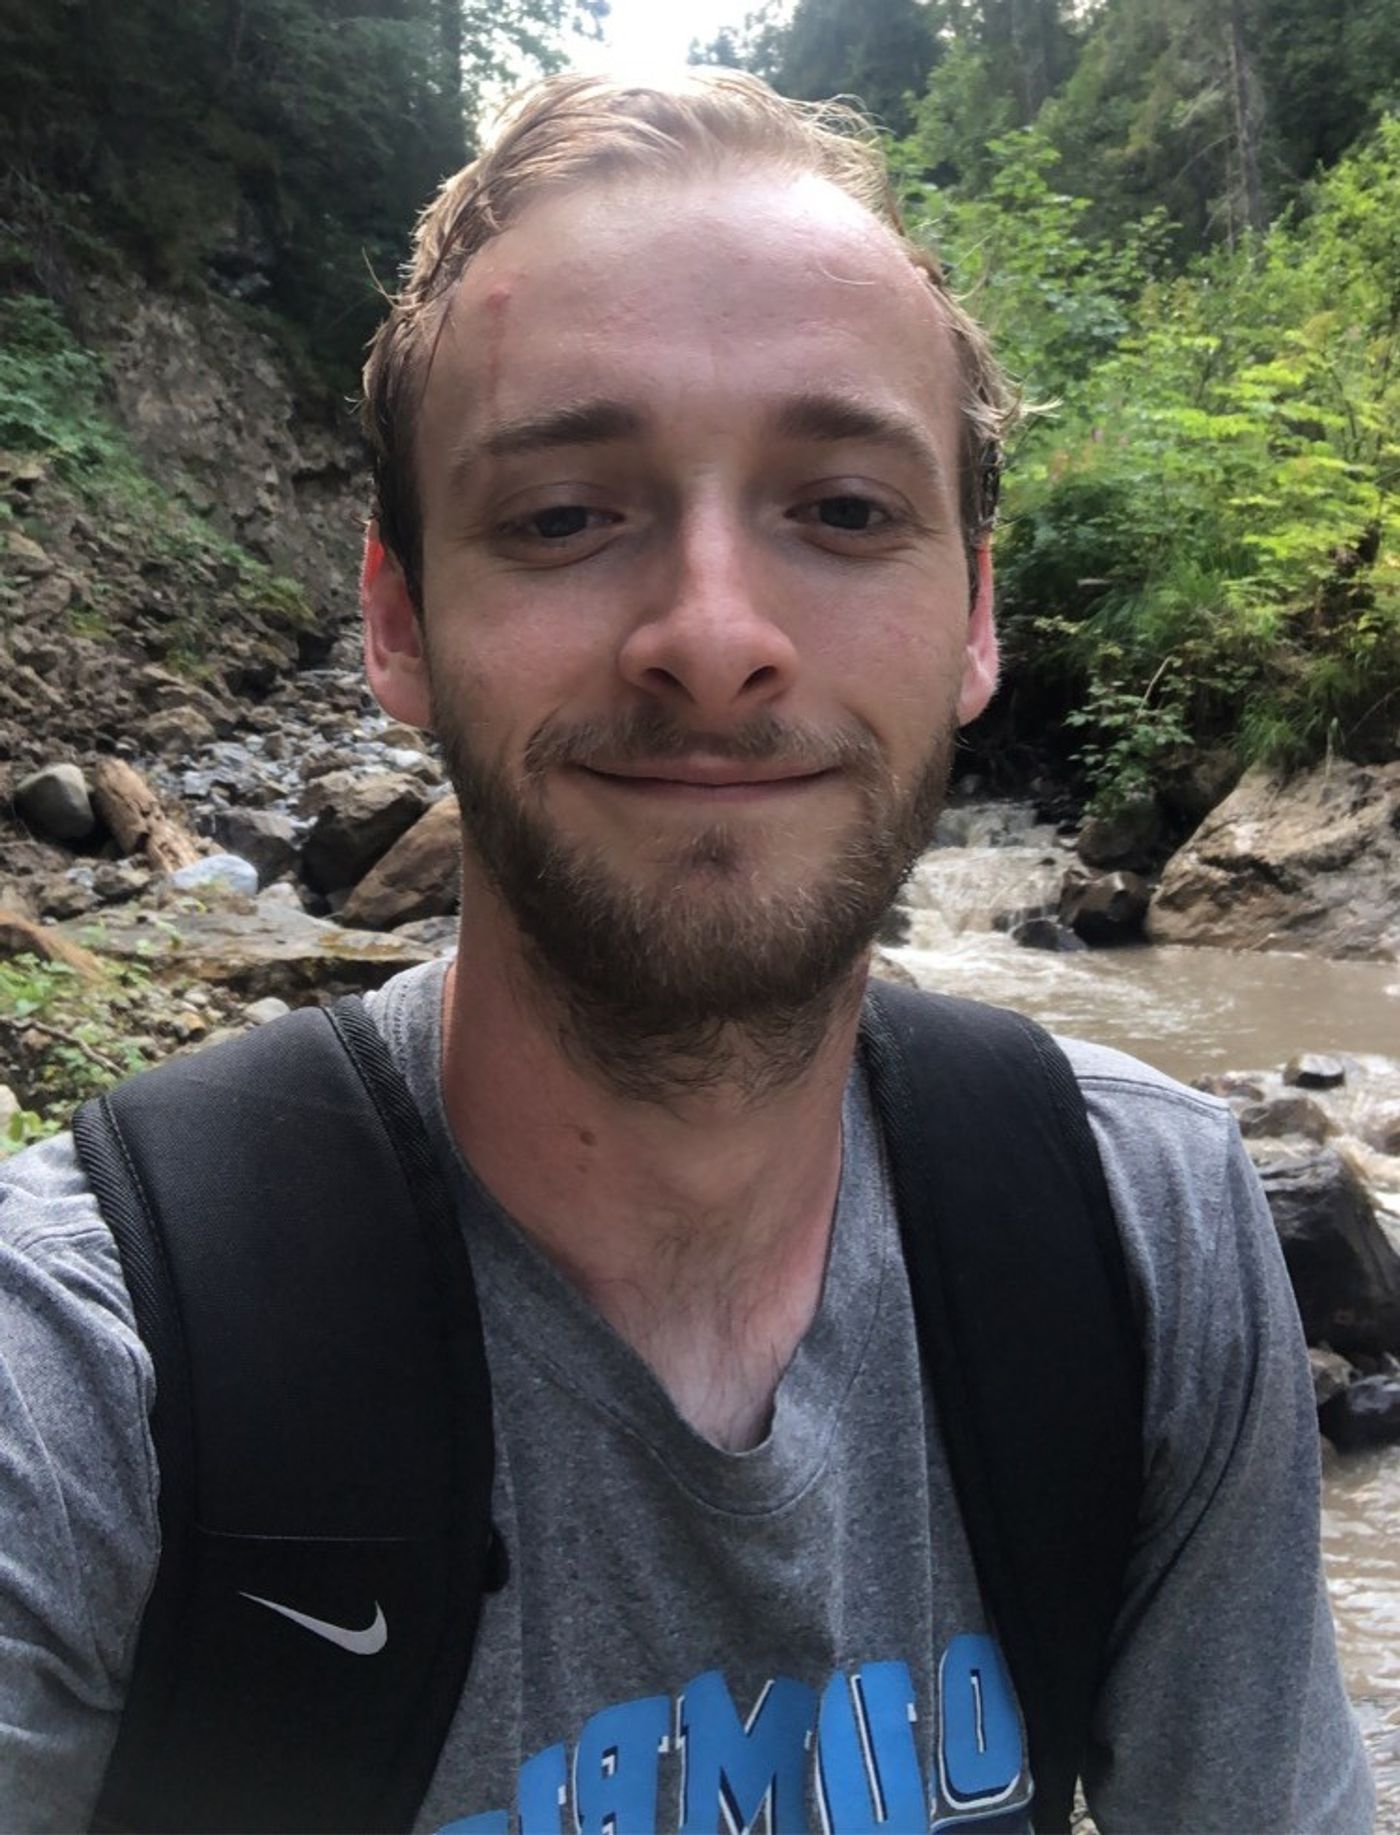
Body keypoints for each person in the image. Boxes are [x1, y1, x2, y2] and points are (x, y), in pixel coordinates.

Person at [0, 68, 1373, 1835]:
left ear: (973, 620)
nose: (714, 638)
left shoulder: (1138, 1233)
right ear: (400, 621)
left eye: (846, 510)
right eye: (566, 514)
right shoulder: (87, 1367)